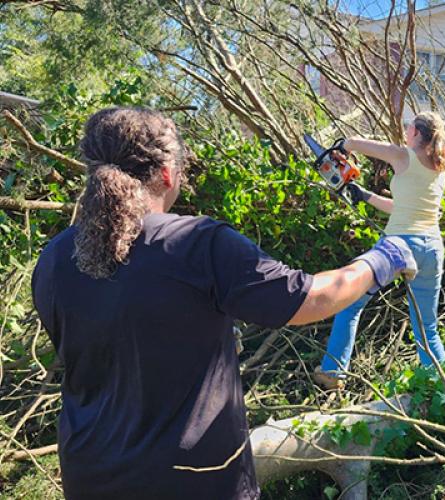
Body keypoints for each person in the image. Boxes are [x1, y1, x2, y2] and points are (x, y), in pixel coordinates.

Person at [31, 107, 417, 500]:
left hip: (89, 476)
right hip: (194, 483)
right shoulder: (197, 244)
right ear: (167, 173)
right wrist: (380, 260)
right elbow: (312, 299)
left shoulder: (54, 260)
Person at [313, 111, 445, 390]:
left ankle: (333, 372)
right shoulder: (438, 170)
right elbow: (401, 206)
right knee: (427, 327)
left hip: (399, 245)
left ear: (415, 132)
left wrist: (343, 144)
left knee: (350, 304)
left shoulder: (404, 156)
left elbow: (363, 145)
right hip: (431, 249)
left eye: (409, 128)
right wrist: (363, 195)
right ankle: (444, 386)